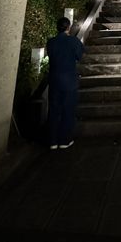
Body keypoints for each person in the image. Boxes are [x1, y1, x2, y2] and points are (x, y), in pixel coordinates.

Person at [46, 16, 84, 149]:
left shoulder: (51, 42)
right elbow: (79, 56)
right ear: (69, 27)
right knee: (68, 110)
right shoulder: (73, 41)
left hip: (54, 79)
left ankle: (52, 140)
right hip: (69, 80)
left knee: (54, 110)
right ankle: (64, 140)